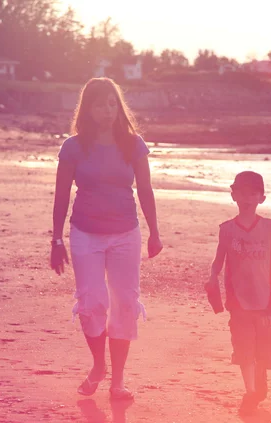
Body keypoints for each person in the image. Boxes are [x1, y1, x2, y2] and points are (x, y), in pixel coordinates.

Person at [50, 77, 163, 400]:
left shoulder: (133, 143)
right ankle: (99, 365)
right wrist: (56, 240)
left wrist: (154, 231)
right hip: (85, 233)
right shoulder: (73, 147)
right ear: (88, 108)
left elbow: (144, 189)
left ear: (119, 106)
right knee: (92, 301)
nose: (107, 110)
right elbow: (60, 196)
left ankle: (118, 381)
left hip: (126, 233)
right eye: (100, 104)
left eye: (112, 103)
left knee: (125, 303)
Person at [205, 171, 271, 415]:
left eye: (253, 193)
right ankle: (250, 392)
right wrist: (212, 278)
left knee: (265, 350)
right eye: (242, 192)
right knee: (244, 348)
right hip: (238, 301)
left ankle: (259, 379)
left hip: (266, 301)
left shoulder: (269, 228)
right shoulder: (227, 230)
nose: (247, 197)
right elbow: (218, 261)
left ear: (262, 197)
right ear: (234, 195)